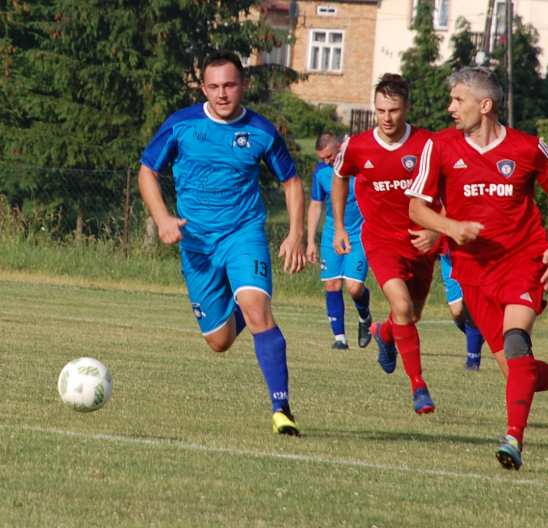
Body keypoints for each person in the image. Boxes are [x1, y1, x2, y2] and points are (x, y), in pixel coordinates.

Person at [407, 67, 548, 470]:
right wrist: (450, 227)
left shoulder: (529, 149)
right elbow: (416, 207)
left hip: (524, 260)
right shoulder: (439, 148)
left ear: (485, 105)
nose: (450, 108)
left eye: (458, 100)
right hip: (473, 271)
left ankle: (513, 439)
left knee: (516, 342)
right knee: (516, 371)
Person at [138, 50, 306, 435]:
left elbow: (292, 181)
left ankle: (282, 410)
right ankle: (235, 310)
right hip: (197, 244)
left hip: (243, 234)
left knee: (257, 310)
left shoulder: (262, 132)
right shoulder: (181, 125)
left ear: (243, 84)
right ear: (203, 88)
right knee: (219, 341)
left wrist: (296, 234)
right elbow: (147, 171)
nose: (222, 94)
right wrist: (162, 217)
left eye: (229, 84)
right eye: (213, 86)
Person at [332, 73, 439, 415]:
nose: (387, 118)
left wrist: (438, 231)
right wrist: (338, 226)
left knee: (411, 315)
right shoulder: (358, 146)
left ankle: (383, 332)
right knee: (403, 307)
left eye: (393, 110)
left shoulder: (427, 145)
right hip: (380, 241)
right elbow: (339, 177)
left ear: (406, 107)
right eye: (380, 110)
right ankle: (418, 386)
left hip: (420, 243)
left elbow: (450, 187)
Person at [306, 133, 373, 350]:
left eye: (329, 156)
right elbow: (316, 205)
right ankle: (340, 339)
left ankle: (364, 317)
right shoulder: (321, 172)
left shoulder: (359, 165)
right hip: (332, 234)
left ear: (339, 147)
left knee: (354, 288)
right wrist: (310, 241)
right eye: (322, 158)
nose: (326, 161)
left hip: (360, 234)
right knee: (332, 283)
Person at [438, 252, 485, 370]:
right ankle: (478, 335)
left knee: (471, 305)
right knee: (457, 311)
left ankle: (472, 361)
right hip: (449, 261)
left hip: (470, 258)